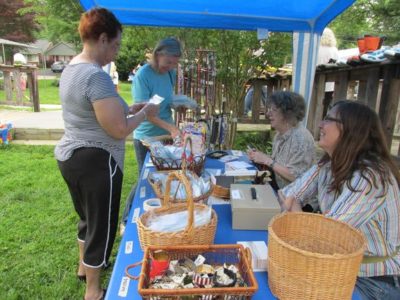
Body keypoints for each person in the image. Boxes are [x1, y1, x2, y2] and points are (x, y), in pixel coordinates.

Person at [54, 8, 158, 300]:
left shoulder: (72, 68)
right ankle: (93, 290)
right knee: (102, 225)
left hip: (70, 156)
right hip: (97, 161)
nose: (116, 51)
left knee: (87, 218)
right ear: (101, 39)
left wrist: (130, 108)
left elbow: (98, 111)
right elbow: (118, 130)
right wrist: (145, 113)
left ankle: (83, 268)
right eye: (115, 45)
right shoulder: (95, 76)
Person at [280, 101, 400, 300]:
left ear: (350, 130)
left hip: (375, 280)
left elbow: (330, 236)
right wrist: (303, 214)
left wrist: (299, 214)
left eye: (328, 119)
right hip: (341, 268)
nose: (320, 125)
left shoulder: (372, 177)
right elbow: (287, 194)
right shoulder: (328, 165)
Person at [120, 37, 182, 229]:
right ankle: (127, 220)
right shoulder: (143, 76)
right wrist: (171, 128)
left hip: (166, 134)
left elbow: (165, 100)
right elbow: (145, 113)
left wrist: (178, 105)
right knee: (145, 179)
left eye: (175, 63)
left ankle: (163, 213)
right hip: (146, 136)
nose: (171, 67)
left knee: (166, 175)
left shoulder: (170, 74)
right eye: (168, 62)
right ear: (157, 54)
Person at [247, 91, 316, 192]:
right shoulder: (280, 135)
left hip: (297, 200)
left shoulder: (301, 138)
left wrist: (267, 160)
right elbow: (278, 165)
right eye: (269, 109)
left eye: (273, 110)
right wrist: (260, 157)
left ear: (287, 113)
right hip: (281, 190)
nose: (268, 113)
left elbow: (295, 176)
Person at [317, 27, 339, 116]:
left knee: (313, 104)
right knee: (324, 107)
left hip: (315, 82)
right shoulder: (334, 50)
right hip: (329, 85)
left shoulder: (315, 48)